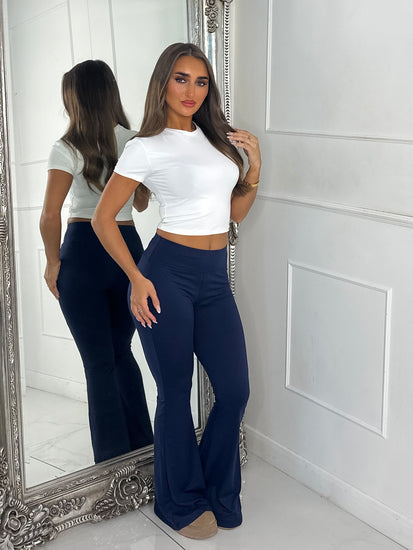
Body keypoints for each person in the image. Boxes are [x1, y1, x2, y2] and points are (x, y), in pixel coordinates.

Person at [92, 43, 261, 539]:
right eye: (181, 78)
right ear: (163, 82)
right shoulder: (145, 147)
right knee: (175, 389)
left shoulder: (218, 141)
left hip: (214, 277)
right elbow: (103, 218)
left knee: (234, 389)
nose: (191, 90)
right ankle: (179, 502)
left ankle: (216, 490)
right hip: (166, 273)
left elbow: (233, 214)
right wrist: (136, 277)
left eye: (201, 81)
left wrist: (255, 167)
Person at [39, 60, 153, 464]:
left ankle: (111, 465)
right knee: (121, 351)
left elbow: (50, 214)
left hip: (84, 251)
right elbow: (140, 203)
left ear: (76, 99)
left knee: (98, 362)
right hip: (127, 250)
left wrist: (52, 262)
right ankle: (144, 451)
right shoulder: (136, 141)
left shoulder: (66, 147)